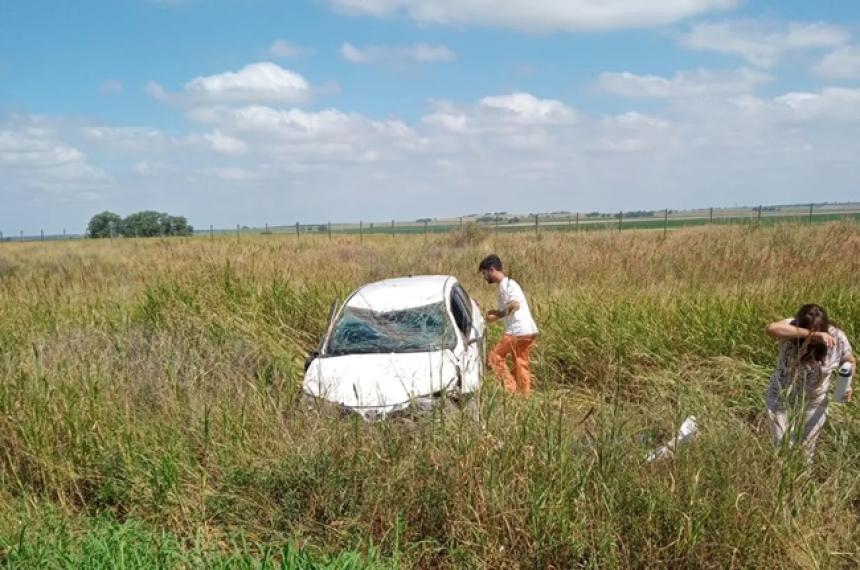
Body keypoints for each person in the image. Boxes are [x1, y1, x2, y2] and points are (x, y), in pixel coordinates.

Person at [765, 304, 855, 462]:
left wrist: (847, 384)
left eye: (819, 330)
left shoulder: (837, 337)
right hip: (781, 395)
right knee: (781, 445)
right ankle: (778, 480)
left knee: (806, 452)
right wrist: (811, 334)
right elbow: (771, 328)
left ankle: (800, 483)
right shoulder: (791, 327)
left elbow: (849, 360)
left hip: (815, 400)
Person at [479, 254, 539, 395]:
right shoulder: (510, 284)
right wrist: (497, 312)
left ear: (492, 269)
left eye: (485, 273)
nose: (485, 277)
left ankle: (509, 389)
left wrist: (498, 314)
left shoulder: (505, 284)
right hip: (529, 330)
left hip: (517, 331)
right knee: (520, 363)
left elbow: (515, 304)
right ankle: (524, 395)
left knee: (494, 357)